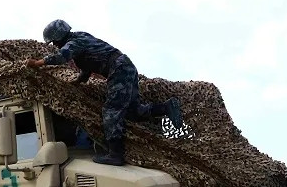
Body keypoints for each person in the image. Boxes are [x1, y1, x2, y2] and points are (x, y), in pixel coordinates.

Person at [26, 20, 183, 166]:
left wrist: (37, 63)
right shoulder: (81, 37)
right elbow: (88, 65)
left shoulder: (74, 42)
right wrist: (79, 80)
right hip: (125, 67)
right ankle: (165, 107)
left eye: (54, 41)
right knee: (133, 112)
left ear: (59, 37)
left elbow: (62, 57)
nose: (55, 45)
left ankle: (115, 154)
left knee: (111, 111)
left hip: (119, 69)